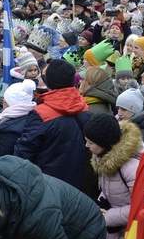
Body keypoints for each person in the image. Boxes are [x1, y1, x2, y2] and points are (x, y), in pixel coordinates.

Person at [83, 114, 144, 239]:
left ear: (105, 142)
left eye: (90, 142)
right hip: (115, 233)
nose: (87, 146)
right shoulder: (103, 157)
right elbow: (108, 190)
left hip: (130, 235)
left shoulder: (131, 167)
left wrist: (108, 217)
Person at [14, 59, 90, 189]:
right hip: (80, 182)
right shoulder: (84, 107)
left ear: (49, 82)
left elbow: (24, 152)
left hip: (47, 184)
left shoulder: (40, 113)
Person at [0, 80, 36, 158]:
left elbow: (2, 158)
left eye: (5, 99)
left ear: (10, 102)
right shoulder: (33, 117)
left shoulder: (8, 130)